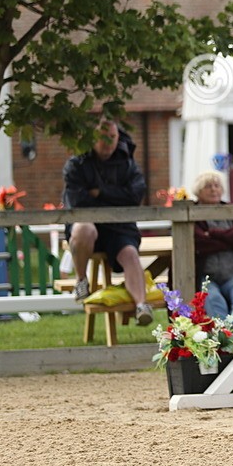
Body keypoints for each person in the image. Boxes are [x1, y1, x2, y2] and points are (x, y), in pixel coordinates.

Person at [62, 116, 153, 325]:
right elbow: (76, 201)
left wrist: (100, 192)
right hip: (87, 227)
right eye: (103, 137)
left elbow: (135, 196)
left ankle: (142, 306)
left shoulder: (128, 163)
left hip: (119, 227)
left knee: (130, 254)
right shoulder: (77, 163)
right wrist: (116, 196)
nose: (108, 142)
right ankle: (81, 281)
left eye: (112, 136)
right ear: (92, 138)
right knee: (84, 229)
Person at [192, 171, 233, 322]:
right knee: (213, 299)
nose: (213, 189)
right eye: (208, 186)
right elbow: (200, 242)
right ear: (198, 191)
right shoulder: (192, 213)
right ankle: (221, 333)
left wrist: (213, 233)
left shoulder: (232, 210)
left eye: (217, 185)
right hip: (206, 275)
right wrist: (228, 239)